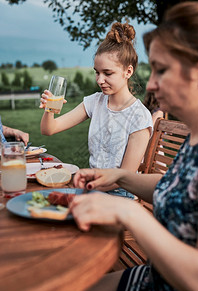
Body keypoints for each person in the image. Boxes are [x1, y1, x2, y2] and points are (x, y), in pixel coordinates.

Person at [69, 2, 198, 291]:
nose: (150, 85)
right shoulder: (195, 138)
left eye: (161, 70)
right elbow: (175, 188)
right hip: (154, 277)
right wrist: (117, 176)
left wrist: (127, 210)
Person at [40, 22, 153, 198]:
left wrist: (85, 187)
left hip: (120, 195)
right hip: (92, 188)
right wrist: (50, 108)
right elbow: (49, 129)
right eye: (97, 72)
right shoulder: (95, 102)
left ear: (128, 71)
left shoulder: (139, 116)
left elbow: (125, 178)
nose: (100, 80)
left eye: (107, 73)